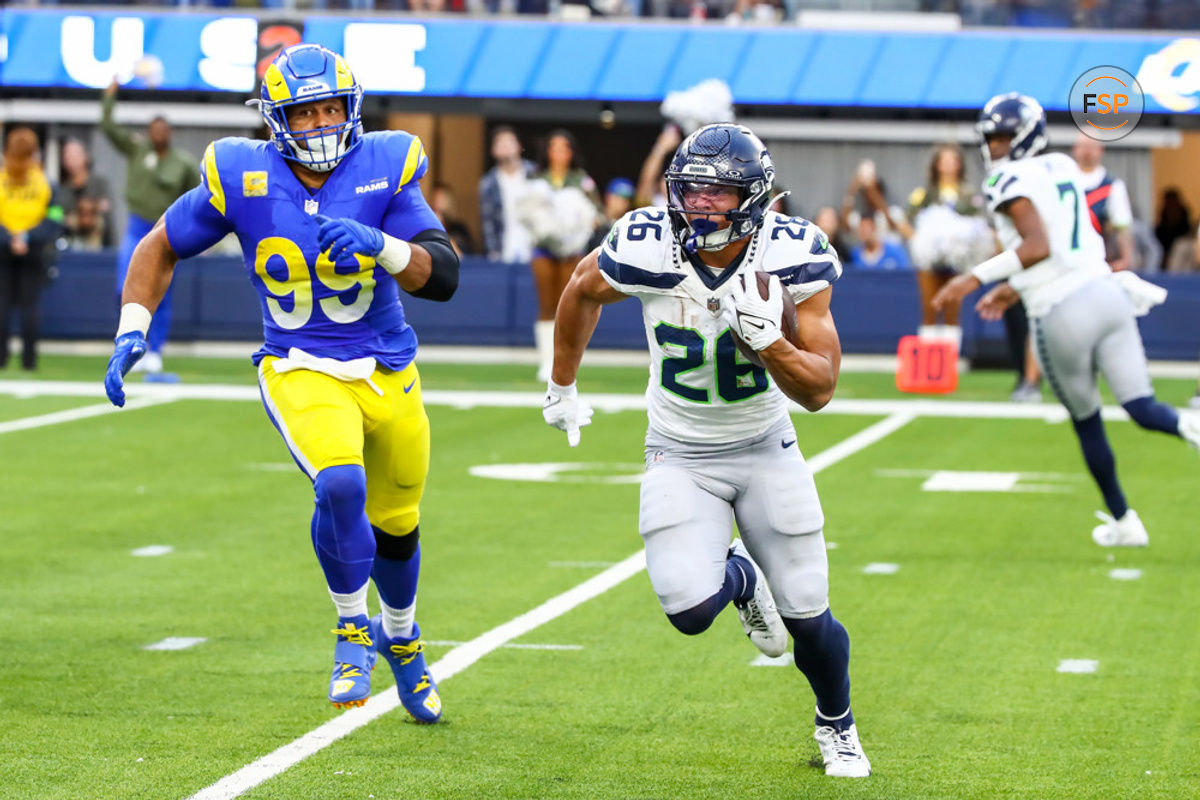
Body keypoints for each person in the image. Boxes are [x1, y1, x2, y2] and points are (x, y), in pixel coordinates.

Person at [103, 44, 459, 723]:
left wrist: (380, 244)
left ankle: (403, 637)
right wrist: (131, 326)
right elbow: (159, 243)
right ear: (275, 119)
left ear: (351, 109)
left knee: (398, 525)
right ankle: (353, 629)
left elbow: (442, 275)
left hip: (386, 366)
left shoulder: (387, 164)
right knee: (340, 482)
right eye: (305, 111)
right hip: (297, 363)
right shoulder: (240, 174)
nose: (322, 123)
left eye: (331, 108)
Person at [543, 123, 871, 778]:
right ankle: (742, 578)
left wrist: (771, 343)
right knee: (689, 609)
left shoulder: (792, 253)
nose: (699, 205)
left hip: (764, 445)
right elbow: (581, 288)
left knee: (807, 612)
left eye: (718, 192)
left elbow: (821, 389)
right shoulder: (646, 243)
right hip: (679, 450)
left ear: (752, 197)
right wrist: (561, 386)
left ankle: (838, 723)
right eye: (691, 189)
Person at [933, 93, 1200, 547]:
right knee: (1142, 407)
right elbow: (1063, 247)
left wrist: (971, 280)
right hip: (1106, 294)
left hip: (1062, 313)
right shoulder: (1062, 167)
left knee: (1087, 420)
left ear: (1021, 137)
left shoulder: (1007, 178)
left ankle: (1124, 522)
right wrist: (1011, 287)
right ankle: (1190, 428)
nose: (995, 147)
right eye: (991, 138)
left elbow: (1037, 247)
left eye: (1001, 137)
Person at [101, 79, 197, 375]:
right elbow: (109, 127)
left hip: (165, 231)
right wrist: (109, 97)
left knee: (161, 291)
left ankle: (156, 349)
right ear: (147, 133)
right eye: (153, 129)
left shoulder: (183, 163)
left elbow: (201, 197)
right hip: (135, 227)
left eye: (163, 129)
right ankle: (128, 341)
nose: (158, 134)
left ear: (171, 133)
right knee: (126, 287)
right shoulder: (137, 151)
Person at [520, 129, 602, 382]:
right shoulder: (536, 178)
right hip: (543, 248)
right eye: (554, 147)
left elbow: (596, 213)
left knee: (568, 305)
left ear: (571, 153)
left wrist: (578, 226)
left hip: (571, 251)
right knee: (546, 305)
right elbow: (525, 212)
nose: (558, 153)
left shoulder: (581, 180)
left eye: (563, 148)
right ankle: (546, 362)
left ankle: (565, 361)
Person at [0, 127, 63, 371]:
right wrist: (26, 237)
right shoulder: (46, 182)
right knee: (30, 307)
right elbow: (55, 220)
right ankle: (29, 362)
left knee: (2, 306)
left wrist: (9, 237)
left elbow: (54, 218)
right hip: (33, 249)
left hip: (5, 248)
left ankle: (2, 360)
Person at [1072, 133, 1135, 272]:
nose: (1087, 152)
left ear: (1101, 150)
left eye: (1092, 147)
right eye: (1083, 146)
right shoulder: (1065, 181)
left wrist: (1125, 259)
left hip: (1098, 261)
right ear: (1075, 149)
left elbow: (1123, 226)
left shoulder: (1113, 186)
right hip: (1067, 261)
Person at [478, 126, 535, 263]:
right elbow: (488, 221)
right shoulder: (488, 183)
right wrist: (493, 250)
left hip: (534, 245)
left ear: (519, 146)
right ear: (493, 150)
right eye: (499, 142)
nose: (505, 146)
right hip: (504, 246)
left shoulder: (535, 173)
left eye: (509, 141)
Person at [59, 138, 112, 250]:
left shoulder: (99, 184)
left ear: (85, 156)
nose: (70, 159)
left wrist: (90, 208)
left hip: (98, 242)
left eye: (74, 155)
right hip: (71, 238)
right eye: (67, 155)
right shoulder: (63, 188)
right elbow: (61, 214)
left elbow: (106, 206)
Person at [585, 176, 635, 252]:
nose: (624, 202)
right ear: (608, 197)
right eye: (620, 197)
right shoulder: (592, 216)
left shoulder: (627, 225)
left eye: (627, 198)